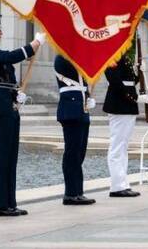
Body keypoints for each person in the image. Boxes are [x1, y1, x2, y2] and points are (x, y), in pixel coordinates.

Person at [0, 15, 45, 216]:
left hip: (8, 104)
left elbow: (7, 75)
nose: (0, 33)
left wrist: (17, 93)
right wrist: (34, 45)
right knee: (1, 156)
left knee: (11, 155)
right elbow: (9, 57)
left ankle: (8, 202)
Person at [103, 55, 148, 198]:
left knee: (123, 146)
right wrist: (134, 98)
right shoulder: (111, 56)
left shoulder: (123, 56)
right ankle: (117, 186)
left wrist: (138, 72)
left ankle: (122, 183)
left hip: (127, 106)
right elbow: (116, 82)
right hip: (119, 104)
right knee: (117, 146)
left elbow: (129, 81)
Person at [54, 55, 96, 205]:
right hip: (70, 109)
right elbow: (80, 67)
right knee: (72, 152)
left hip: (81, 107)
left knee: (80, 152)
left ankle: (78, 191)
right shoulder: (62, 58)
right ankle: (70, 193)